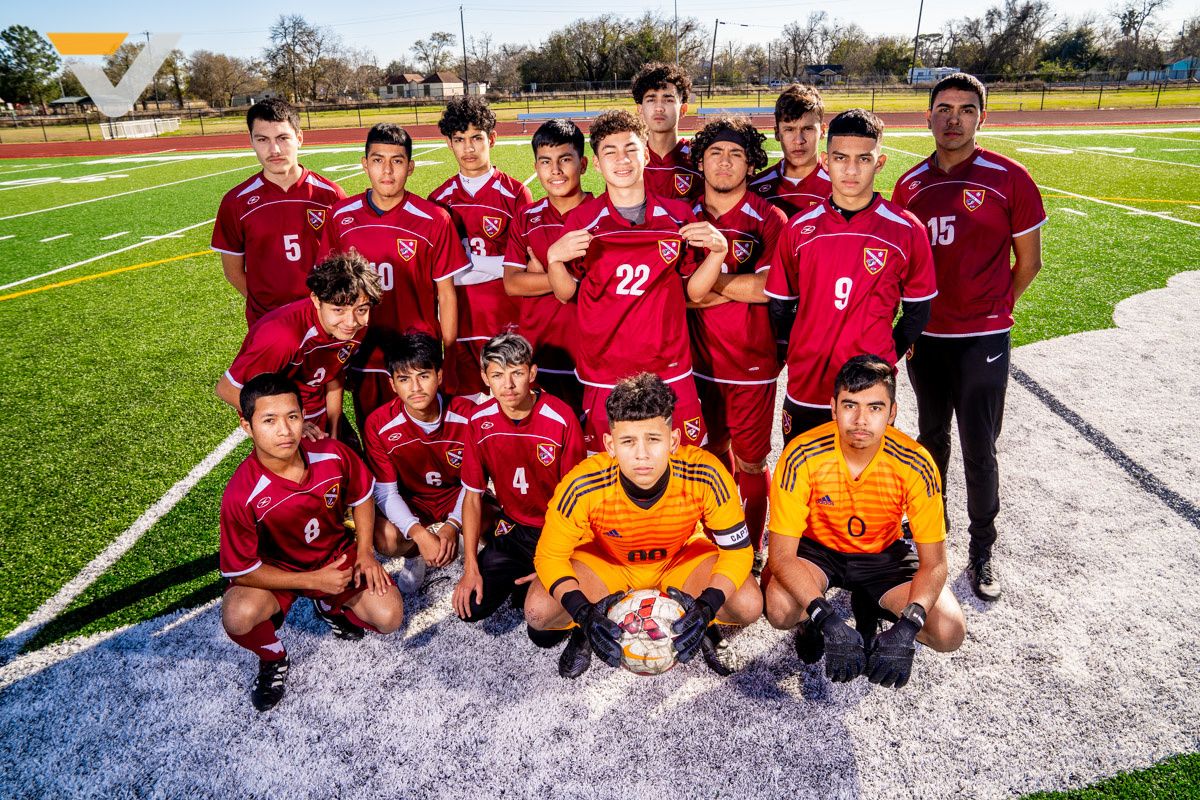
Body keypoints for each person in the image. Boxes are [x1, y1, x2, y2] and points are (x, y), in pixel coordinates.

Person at [892, 72, 1047, 602]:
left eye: (965, 109)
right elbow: (902, 267)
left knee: (980, 447)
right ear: (927, 117)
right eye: (943, 108)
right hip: (928, 338)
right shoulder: (910, 185)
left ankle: (983, 548)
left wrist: (996, 309)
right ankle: (930, 535)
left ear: (982, 117)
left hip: (983, 337)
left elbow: (1029, 262)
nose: (953, 119)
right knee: (930, 441)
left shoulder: (1010, 178)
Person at [526, 373, 763, 679]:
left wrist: (707, 606)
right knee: (537, 612)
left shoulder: (705, 473)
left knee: (749, 604)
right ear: (610, 445)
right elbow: (549, 556)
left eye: (653, 439)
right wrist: (583, 613)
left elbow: (738, 552)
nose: (642, 454)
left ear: (673, 441)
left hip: (680, 559)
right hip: (610, 562)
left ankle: (704, 624)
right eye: (628, 441)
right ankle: (586, 630)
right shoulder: (583, 483)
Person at [762, 355, 965, 688]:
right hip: (820, 550)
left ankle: (870, 603)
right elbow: (781, 556)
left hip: (882, 554)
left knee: (948, 630)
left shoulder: (916, 462)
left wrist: (908, 627)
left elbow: (935, 564)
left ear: (892, 412)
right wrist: (826, 619)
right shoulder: (801, 454)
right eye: (850, 405)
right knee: (780, 608)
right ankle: (809, 622)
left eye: (875, 408)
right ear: (833, 408)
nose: (860, 420)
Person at [544, 109, 727, 453]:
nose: (622, 160)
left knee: (683, 462)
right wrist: (553, 258)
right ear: (597, 164)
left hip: (668, 366)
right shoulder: (583, 220)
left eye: (630, 149)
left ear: (645, 153)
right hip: (604, 369)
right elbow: (566, 292)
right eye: (610, 152)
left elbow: (694, 292)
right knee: (610, 466)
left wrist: (718, 253)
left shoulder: (678, 216)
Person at [219, 372, 403, 711]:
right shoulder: (240, 494)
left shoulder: (330, 453)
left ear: (304, 417)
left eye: (292, 417)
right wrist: (311, 581)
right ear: (247, 426)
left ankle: (329, 605)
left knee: (389, 616)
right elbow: (242, 570)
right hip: (281, 571)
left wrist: (365, 553)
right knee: (237, 614)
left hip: (336, 556)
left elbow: (362, 495)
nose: (284, 430)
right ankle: (273, 657)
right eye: (269, 420)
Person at [763, 109, 937, 444]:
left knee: (865, 474)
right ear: (826, 161)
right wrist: (799, 350)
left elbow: (918, 312)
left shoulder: (906, 230)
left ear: (880, 162)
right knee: (802, 469)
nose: (852, 170)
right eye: (841, 158)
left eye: (864, 159)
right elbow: (780, 307)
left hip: (868, 390)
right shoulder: (799, 228)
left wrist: (884, 358)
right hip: (808, 382)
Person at [684, 116, 788, 572]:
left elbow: (768, 289)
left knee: (750, 461)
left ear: (750, 164)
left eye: (736, 154)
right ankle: (717, 540)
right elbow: (671, 292)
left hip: (751, 362)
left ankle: (752, 547)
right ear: (700, 161)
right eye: (715, 153)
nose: (725, 162)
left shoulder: (770, 219)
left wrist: (705, 285)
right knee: (708, 457)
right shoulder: (682, 215)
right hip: (694, 362)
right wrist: (734, 286)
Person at [318, 123, 469, 421]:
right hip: (363, 352)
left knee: (428, 435)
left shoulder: (434, 219)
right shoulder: (340, 216)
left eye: (397, 161)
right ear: (365, 164)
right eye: (378, 160)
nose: (387, 170)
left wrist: (450, 355)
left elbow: (446, 294)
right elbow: (327, 294)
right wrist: (334, 352)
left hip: (418, 356)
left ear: (410, 167)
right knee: (374, 434)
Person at [452, 333, 585, 626]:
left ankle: (541, 585)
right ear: (485, 378)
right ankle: (520, 576)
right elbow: (472, 497)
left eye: (517, 373)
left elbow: (578, 503)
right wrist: (470, 567)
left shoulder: (561, 418)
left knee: (543, 630)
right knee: (471, 607)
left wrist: (555, 562)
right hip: (514, 527)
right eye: (498, 375)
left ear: (532, 374)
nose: (508, 385)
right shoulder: (479, 421)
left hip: (555, 530)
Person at [215, 252, 381, 444]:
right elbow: (227, 389)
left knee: (349, 458)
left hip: (319, 412)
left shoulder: (353, 326)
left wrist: (336, 430)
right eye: (338, 310)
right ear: (316, 300)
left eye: (361, 310)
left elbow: (333, 373)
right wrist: (288, 424)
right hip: (286, 423)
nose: (351, 322)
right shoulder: (281, 338)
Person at [363, 331, 484, 590]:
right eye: (404, 379)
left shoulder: (468, 415)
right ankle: (414, 554)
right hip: (414, 501)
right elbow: (385, 493)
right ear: (392, 384)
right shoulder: (378, 424)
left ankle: (468, 542)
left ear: (439, 376)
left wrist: (454, 524)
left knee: (495, 524)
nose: (415, 388)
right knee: (384, 537)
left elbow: (475, 484)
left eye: (423, 376)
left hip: (457, 495)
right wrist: (418, 534)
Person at [429, 96, 533, 395]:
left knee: (510, 402)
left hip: (507, 321)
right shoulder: (438, 200)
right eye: (459, 139)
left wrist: (463, 264)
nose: (469, 148)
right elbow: (441, 276)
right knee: (466, 409)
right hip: (460, 323)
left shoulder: (516, 194)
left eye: (476, 138)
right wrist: (498, 265)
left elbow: (523, 267)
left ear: (492, 139)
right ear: (449, 143)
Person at [212, 98, 346, 326]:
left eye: (282, 138)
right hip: (267, 322)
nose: (274, 150)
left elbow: (346, 262)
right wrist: (266, 308)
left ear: (299, 138)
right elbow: (233, 272)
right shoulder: (235, 202)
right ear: (251, 141)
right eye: (262, 139)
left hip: (323, 321)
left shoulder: (330, 195)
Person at [502, 119, 592, 418]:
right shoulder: (526, 217)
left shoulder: (601, 215)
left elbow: (606, 286)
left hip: (592, 352)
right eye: (545, 161)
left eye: (565, 159)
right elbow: (512, 284)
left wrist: (539, 276)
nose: (555, 170)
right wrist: (567, 279)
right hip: (538, 351)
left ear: (583, 164)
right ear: (536, 167)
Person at [749, 84, 832, 219]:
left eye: (807, 129)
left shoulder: (839, 186)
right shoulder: (755, 188)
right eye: (789, 129)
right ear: (777, 133)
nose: (799, 140)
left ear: (822, 131)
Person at [632, 62, 702, 202]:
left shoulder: (699, 159)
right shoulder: (629, 160)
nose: (659, 108)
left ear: (683, 109)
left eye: (668, 100)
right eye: (651, 100)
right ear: (640, 109)